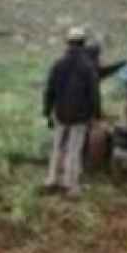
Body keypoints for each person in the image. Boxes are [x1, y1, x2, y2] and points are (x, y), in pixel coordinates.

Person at [42, 28, 101, 195]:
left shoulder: (58, 64)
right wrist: (96, 114)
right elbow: (94, 93)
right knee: (74, 149)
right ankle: (70, 185)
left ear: (68, 43)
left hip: (60, 113)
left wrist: (47, 112)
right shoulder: (88, 67)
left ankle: (52, 179)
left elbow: (49, 90)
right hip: (80, 115)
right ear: (83, 44)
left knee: (57, 147)